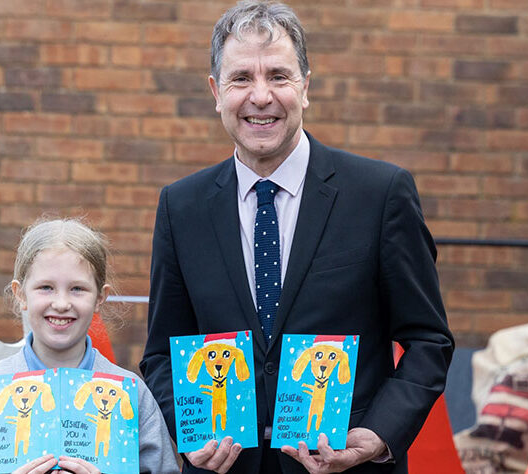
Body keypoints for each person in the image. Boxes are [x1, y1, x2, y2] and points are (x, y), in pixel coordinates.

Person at [139, 1, 454, 473]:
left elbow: (429, 341)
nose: (260, 97)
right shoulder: (181, 207)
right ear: (215, 91)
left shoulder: (379, 194)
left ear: (305, 87)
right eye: (241, 78)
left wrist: (378, 435)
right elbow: (162, 352)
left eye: (279, 77)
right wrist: (190, 434)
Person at [0, 218, 180, 474]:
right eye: (46, 287)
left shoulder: (132, 394)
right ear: (20, 294)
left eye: (77, 289)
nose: (61, 303)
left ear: (100, 298)